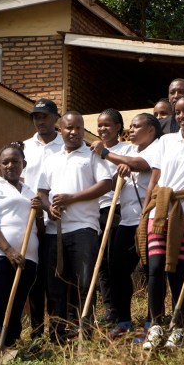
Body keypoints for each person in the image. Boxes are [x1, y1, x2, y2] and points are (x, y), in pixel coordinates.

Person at [94, 95, 184, 349]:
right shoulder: (166, 141)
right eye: (178, 112)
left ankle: (179, 325)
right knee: (154, 269)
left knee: (178, 271)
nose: (182, 116)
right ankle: (156, 323)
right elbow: (155, 177)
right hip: (158, 211)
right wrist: (146, 212)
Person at [38, 112, 113, 340]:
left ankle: (84, 331)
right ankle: (58, 333)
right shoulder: (51, 159)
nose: (74, 132)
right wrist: (48, 207)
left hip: (84, 228)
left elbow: (106, 183)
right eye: (69, 128)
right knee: (56, 284)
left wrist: (72, 198)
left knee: (84, 283)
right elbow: (41, 192)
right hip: (55, 231)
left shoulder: (91, 155)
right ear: (61, 130)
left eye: (79, 128)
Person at [0, 142, 41, 354]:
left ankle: (8, 351)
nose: (10, 165)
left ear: (24, 164)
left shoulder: (30, 192)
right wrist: (9, 251)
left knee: (15, 310)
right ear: (0, 165)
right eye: (5, 162)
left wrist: (39, 212)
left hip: (27, 260)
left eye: (15, 161)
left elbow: (39, 226)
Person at [105, 113, 161, 339]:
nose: (132, 130)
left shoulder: (158, 147)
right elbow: (124, 169)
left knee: (151, 271)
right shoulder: (128, 150)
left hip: (148, 219)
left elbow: (141, 164)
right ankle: (124, 320)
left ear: (151, 129)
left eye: (137, 126)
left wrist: (105, 153)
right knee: (117, 267)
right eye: (130, 127)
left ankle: (152, 321)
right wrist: (122, 168)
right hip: (127, 220)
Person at [22, 98, 63, 342]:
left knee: (56, 280)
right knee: (34, 281)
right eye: (36, 117)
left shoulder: (65, 145)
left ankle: (58, 332)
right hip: (31, 221)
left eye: (45, 116)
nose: (40, 121)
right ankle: (37, 334)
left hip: (58, 221)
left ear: (56, 118)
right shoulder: (25, 147)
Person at [95, 109, 133, 325]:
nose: (102, 129)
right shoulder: (92, 150)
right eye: (100, 125)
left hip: (118, 209)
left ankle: (121, 310)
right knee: (101, 263)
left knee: (114, 262)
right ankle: (109, 308)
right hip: (96, 210)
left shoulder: (126, 149)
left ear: (118, 127)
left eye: (107, 125)